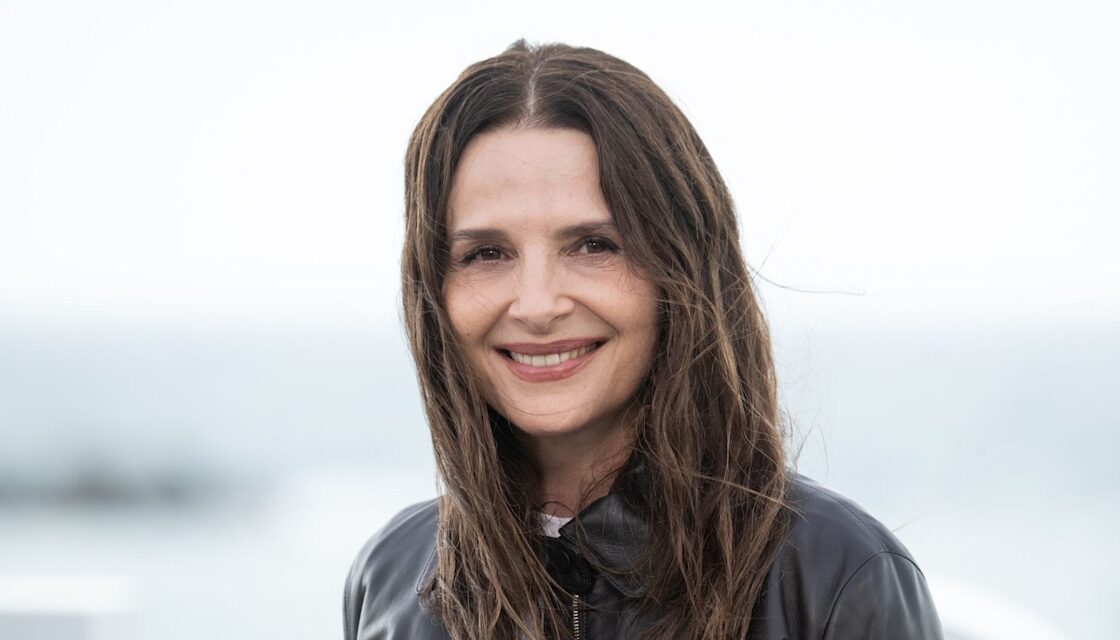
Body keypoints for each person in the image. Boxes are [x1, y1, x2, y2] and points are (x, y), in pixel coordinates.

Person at [343, 40, 943, 640]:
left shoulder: (835, 577)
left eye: (594, 245)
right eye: (486, 253)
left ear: (682, 270)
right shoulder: (389, 578)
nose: (537, 305)